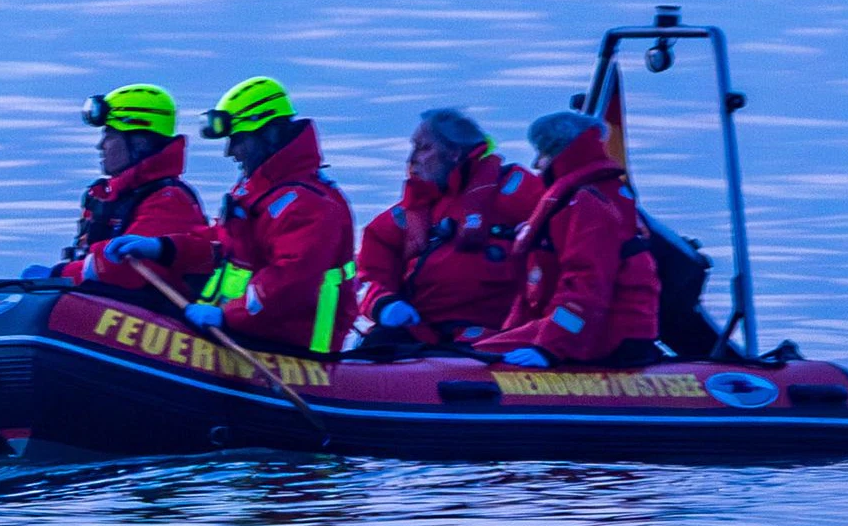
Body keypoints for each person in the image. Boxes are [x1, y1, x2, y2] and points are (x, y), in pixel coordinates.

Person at [473, 109, 661, 368]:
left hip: (608, 336)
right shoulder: (584, 198)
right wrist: (515, 334)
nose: (536, 164)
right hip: (587, 330)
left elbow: (587, 284)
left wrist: (550, 348)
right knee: (475, 353)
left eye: (542, 154)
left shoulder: (588, 203)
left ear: (560, 153)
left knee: (476, 360)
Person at [186, 77, 357, 356]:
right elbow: (223, 242)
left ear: (270, 134)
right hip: (244, 333)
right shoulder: (256, 190)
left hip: (293, 348)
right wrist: (164, 247)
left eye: (238, 139)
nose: (230, 151)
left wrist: (227, 316)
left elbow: (290, 283)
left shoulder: (308, 204)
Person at [344, 108, 534, 352]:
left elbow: (565, 247)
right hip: (420, 338)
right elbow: (367, 278)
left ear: (454, 153)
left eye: (424, 148)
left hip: (497, 340)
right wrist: (384, 304)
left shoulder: (517, 191)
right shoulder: (403, 218)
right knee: (378, 344)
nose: (412, 159)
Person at [50, 84, 215, 298]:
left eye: (109, 135)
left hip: (152, 320)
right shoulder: (106, 196)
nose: (100, 146)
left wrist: (57, 274)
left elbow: (125, 272)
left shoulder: (170, 200)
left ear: (139, 142)